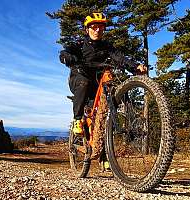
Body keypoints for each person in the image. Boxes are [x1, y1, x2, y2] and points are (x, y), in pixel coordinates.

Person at [59, 12, 147, 159]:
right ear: (87, 29)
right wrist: (67, 57)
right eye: (94, 27)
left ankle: (104, 154)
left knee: (103, 112)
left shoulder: (106, 46)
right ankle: (77, 119)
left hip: (97, 83)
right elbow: (65, 52)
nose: (97, 30)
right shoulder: (80, 44)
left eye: (100, 27)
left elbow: (120, 58)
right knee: (84, 83)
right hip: (79, 78)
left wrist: (135, 66)